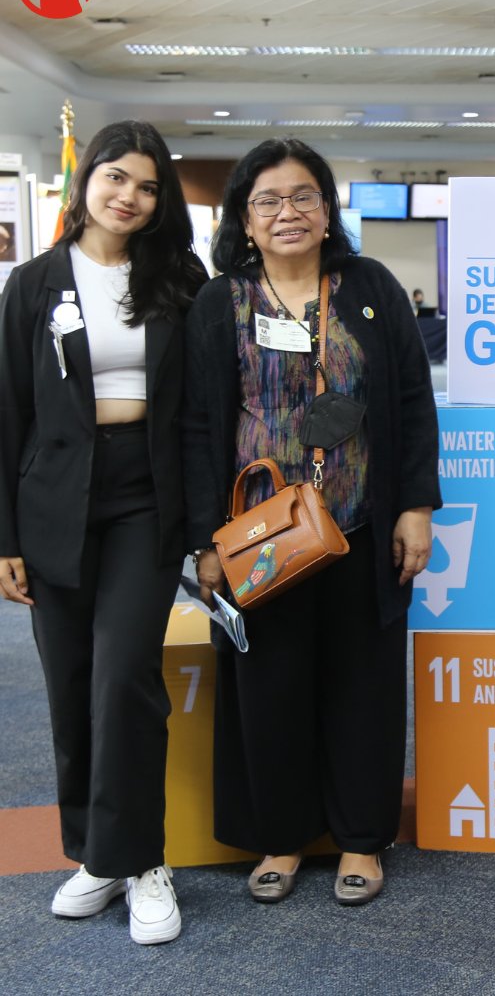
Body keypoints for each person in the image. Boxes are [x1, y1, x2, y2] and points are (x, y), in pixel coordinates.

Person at [184, 138, 440, 906]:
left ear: (328, 211)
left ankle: (362, 840)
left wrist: (415, 508)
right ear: (245, 220)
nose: (287, 212)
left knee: (363, 685)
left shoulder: (368, 288)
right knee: (270, 689)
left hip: (360, 527)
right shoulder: (221, 301)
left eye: (303, 196)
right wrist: (203, 543)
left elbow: (409, 404)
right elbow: (197, 425)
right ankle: (281, 837)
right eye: (268, 200)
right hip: (259, 541)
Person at [0, 120, 207, 943]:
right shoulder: (34, 282)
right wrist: (5, 536)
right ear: (86, 180)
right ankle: (97, 856)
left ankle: (144, 859)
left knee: (125, 676)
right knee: (71, 685)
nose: (129, 196)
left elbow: (198, 412)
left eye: (148, 186)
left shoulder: (179, 279)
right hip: (54, 498)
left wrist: (201, 525)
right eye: (117, 177)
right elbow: (6, 413)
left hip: (143, 496)